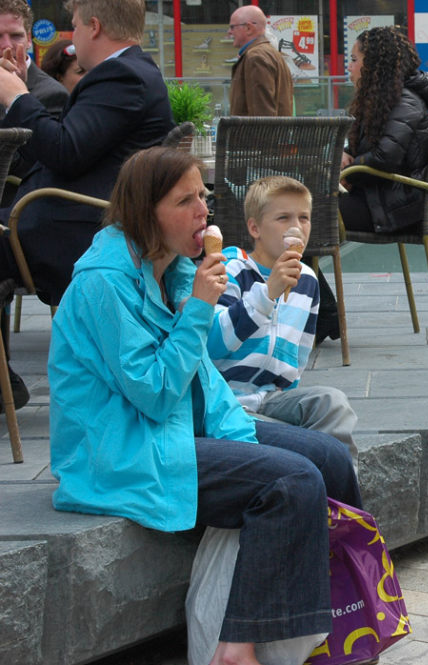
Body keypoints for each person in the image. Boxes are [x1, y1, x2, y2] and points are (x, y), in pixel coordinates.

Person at [48, 146, 363, 665]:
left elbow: (204, 382)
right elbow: (152, 393)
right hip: (125, 448)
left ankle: (346, 609)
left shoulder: (169, 268)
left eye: (203, 196)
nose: (203, 211)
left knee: (326, 456)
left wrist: (241, 432)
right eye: (185, 200)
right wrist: (200, 307)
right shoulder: (103, 284)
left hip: (185, 426)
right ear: (146, 212)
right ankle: (235, 648)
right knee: (292, 481)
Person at [0, 0, 174, 406]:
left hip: (78, 232)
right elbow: (63, 151)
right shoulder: (128, 72)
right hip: (77, 219)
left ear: (94, 27)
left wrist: (18, 97)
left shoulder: (122, 75)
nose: (72, 39)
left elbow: (66, 150)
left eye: (74, 26)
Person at [207, 175, 359, 462]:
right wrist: (268, 292)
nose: (296, 227)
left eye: (304, 218)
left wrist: (288, 396)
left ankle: (343, 500)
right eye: (283, 218)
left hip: (270, 398)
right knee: (302, 447)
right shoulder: (231, 270)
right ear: (255, 228)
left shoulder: (309, 281)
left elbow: (297, 358)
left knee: (332, 403)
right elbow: (215, 342)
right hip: (225, 400)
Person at [339, 26, 428, 234]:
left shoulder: (406, 102)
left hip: (391, 210)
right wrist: (346, 155)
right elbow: (371, 148)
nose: (349, 67)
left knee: (299, 219)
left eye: (354, 59)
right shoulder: (385, 100)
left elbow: (384, 157)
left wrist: (347, 174)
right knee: (293, 215)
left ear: (374, 64)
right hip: (376, 200)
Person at [0, 0, 68, 116]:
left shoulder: (53, 94)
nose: (7, 46)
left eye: (16, 36)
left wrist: (15, 94)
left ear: (29, 39)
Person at [228, 4, 293, 116]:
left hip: (257, 133)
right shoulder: (271, 54)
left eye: (232, 27)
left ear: (249, 28)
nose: (229, 32)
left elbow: (262, 116)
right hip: (278, 132)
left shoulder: (256, 58)